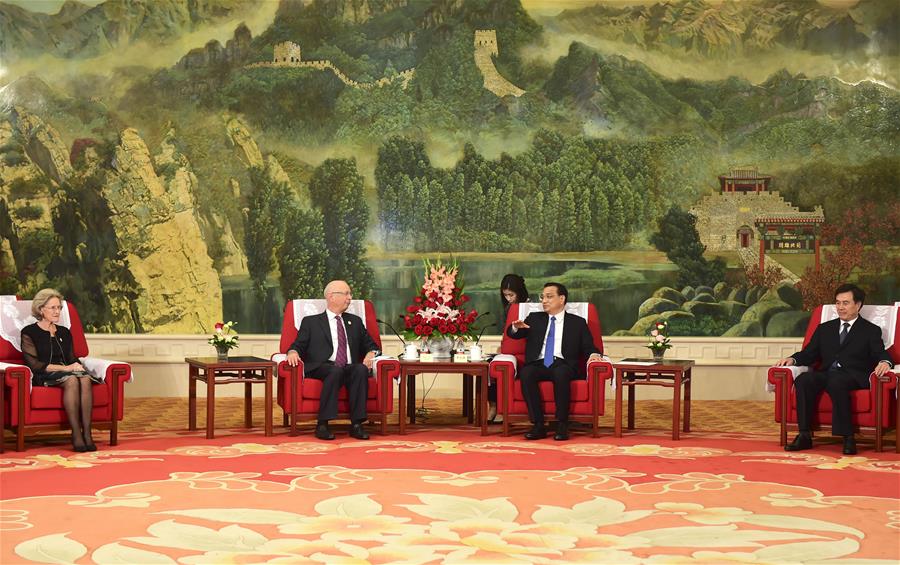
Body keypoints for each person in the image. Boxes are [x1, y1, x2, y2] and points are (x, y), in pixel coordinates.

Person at [775, 283, 893, 455]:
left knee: (837, 381)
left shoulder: (870, 331)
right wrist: (792, 359)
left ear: (858, 305)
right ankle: (804, 435)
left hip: (853, 376)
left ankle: (848, 437)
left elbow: (880, 353)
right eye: (837, 303)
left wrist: (885, 362)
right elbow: (809, 353)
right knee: (804, 379)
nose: (840, 307)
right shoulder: (825, 329)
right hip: (826, 374)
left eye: (845, 303)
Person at [506, 282, 603, 441]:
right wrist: (516, 328)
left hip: (563, 363)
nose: (544, 300)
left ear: (562, 298)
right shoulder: (535, 318)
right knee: (527, 373)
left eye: (549, 297)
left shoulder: (577, 322)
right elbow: (514, 334)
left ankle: (562, 424)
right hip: (539, 362)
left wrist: (593, 354)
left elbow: (588, 346)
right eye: (542, 297)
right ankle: (538, 424)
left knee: (561, 373)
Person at [286, 280, 378, 440]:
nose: (350, 298)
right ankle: (322, 424)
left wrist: (371, 353)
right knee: (334, 371)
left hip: (348, 366)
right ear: (331, 297)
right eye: (346, 294)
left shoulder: (355, 322)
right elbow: (297, 345)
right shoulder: (311, 322)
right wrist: (292, 352)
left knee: (360, 369)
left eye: (350, 294)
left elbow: (372, 345)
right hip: (321, 366)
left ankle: (357, 424)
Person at [20, 289, 101, 452]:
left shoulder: (64, 332)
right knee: (71, 379)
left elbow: (72, 358)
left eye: (59, 308)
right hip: (45, 374)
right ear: (41, 309)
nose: (57, 312)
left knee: (84, 378)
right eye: (53, 308)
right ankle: (76, 434)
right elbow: (35, 365)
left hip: (68, 370)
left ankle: (87, 433)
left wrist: (77, 366)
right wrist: (67, 368)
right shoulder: (29, 332)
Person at [489, 274, 530, 422]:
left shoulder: (529, 307)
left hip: (525, 352)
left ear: (519, 292)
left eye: (511, 295)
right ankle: (493, 406)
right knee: (490, 364)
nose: (509, 298)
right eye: (505, 295)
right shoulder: (508, 308)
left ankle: (501, 409)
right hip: (509, 351)